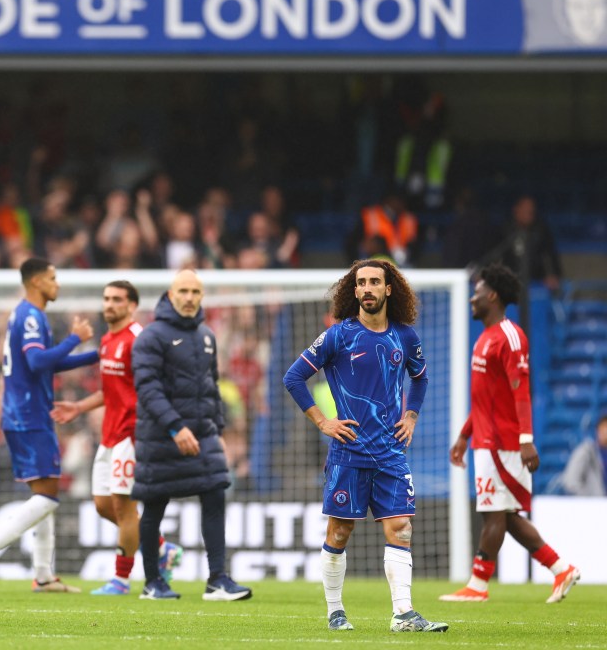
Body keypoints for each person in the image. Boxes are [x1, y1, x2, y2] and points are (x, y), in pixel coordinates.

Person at [283, 259, 447, 633]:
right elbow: (293, 377)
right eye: (362, 283)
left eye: (376, 281)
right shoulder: (338, 336)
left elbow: (420, 380)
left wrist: (411, 416)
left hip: (390, 452)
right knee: (339, 533)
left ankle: (403, 614)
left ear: (389, 289)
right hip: (349, 452)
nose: (369, 288)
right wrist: (323, 421)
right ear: (353, 291)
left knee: (401, 527)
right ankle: (335, 611)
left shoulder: (405, 336)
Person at [440, 263, 580, 604]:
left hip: (504, 444)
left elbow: (521, 391)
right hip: (486, 442)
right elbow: (485, 399)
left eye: (476, 292)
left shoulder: (510, 336)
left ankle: (478, 585)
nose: (471, 298)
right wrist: (463, 435)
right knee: (505, 514)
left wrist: (526, 440)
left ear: (493, 295)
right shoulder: (484, 338)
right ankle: (560, 568)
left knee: (495, 514)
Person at [0, 257, 98, 593]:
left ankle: (43, 574)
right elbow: (39, 361)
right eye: (53, 277)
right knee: (49, 497)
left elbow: (45, 365)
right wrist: (75, 338)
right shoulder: (32, 316)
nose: (58, 284)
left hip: (24, 412)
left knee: (45, 492)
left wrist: (95, 355)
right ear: (36, 281)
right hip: (30, 415)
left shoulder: (24, 315)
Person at [51, 280, 183, 596]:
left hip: (131, 435)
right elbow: (111, 390)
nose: (109, 304)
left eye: (117, 299)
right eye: (106, 298)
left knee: (124, 509)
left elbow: (153, 387)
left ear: (131, 305)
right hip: (108, 435)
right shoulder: (108, 339)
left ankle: (120, 580)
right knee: (102, 505)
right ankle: (163, 548)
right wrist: (79, 407)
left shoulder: (139, 340)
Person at [131, 268, 251, 602]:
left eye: (195, 292)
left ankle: (217, 579)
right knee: (154, 507)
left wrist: (219, 430)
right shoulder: (151, 337)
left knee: (215, 495)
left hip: (203, 436)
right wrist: (174, 427)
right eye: (182, 291)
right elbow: (148, 388)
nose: (188, 298)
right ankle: (153, 582)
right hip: (160, 438)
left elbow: (211, 389)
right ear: (170, 295)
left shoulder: (207, 336)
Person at [561, 414, 607, 496]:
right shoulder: (586, 452)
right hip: (593, 506)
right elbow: (570, 482)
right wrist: (586, 501)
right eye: (604, 428)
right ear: (598, 430)